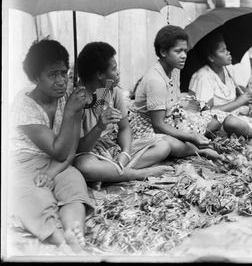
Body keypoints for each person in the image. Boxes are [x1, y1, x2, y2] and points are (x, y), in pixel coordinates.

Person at [9, 39, 93, 254]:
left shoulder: (68, 96)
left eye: (64, 73)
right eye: (52, 75)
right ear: (36, 78)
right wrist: (70, 113)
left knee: (75, 185)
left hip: (59, 161)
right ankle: (59, 240)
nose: (61, 81)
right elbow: (57, 148)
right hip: (24, 162)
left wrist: (52, 171)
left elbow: (70, 149)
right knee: (32, 196)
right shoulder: (24, 106)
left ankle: (74, 232)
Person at [73, 42, 174, 184]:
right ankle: (137, 174)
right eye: (114, 69)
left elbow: (124, 128)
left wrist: (125, 153)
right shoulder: (76, 100)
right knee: (84, 166)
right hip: (90, 153)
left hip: (112, 147)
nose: (118, 72)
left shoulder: (113, 91)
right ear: (100, 74)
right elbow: (79, 148)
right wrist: (100, 127)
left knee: (163, 146)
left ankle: (112, 172)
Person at [129, 25, 228, 159]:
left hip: (171, 118)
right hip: (148, 127)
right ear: (163, 52)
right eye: (178, 51)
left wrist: (187, 106)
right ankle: (198, 150)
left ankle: (194, 145)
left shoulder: (175, 69)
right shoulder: (155, 80)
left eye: (185, 51)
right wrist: (191, 136)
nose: (184, 56)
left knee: (214, 121)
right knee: (171, 144)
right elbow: (158, 125)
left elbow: (173, 102)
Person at [189, 32, 252, 138]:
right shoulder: (203, 76)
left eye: (227, 49)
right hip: (220, 121)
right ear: (211, 58)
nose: (228, 53)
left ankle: (244, 130)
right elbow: (207, 112)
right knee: (232, 123)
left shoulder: (228, 69)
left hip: (235, 114)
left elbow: (243, 90)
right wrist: (237, 103)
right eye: (223, 51)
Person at [205, 0, 252, 88]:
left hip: (236, 25)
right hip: (223, 25)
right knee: (229, 59)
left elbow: (236, 6)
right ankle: (232, 88)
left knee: (242, 61)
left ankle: (241, 87)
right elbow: (220, 7)